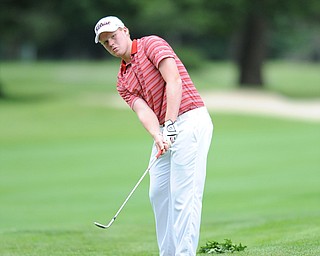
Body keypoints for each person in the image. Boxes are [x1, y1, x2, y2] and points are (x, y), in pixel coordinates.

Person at [94, 16, 213, 256]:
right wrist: (157, 134)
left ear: (125, 31)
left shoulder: (152, 44)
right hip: (164, 129)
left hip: (189, 119)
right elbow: (142, 110)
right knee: (158, 194)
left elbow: (174, 80)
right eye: (106, 43)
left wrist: (169, 123)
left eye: (113, 37)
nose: (112, 44)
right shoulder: (122, 79)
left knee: (184, 196)